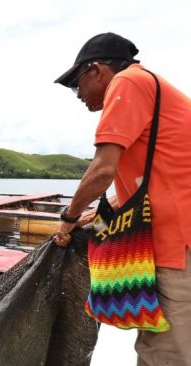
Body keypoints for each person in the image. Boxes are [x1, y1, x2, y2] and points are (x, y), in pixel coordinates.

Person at [53, 32, 191, 365]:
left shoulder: (127, 83)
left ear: (97, 70)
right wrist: (100, 213)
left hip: (177, 244)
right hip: (177, 236)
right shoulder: (150, 87)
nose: (78, 95)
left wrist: (68, 219)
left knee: (163, 353)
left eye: (77, 85)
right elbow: (149, 179)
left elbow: (102, 170)